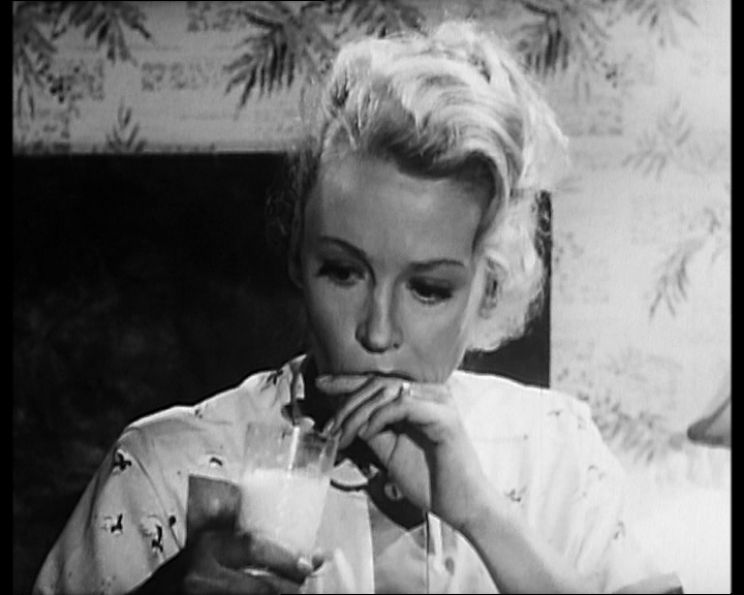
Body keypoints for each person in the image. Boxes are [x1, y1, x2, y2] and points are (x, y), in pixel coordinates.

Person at [33, 20, 679, 595]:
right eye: (343, 272)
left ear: (489, 288)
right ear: (297, 256)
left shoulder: (558, 452)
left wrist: (484, 514)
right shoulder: (162, 466)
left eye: (428, 289)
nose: (377, 331)